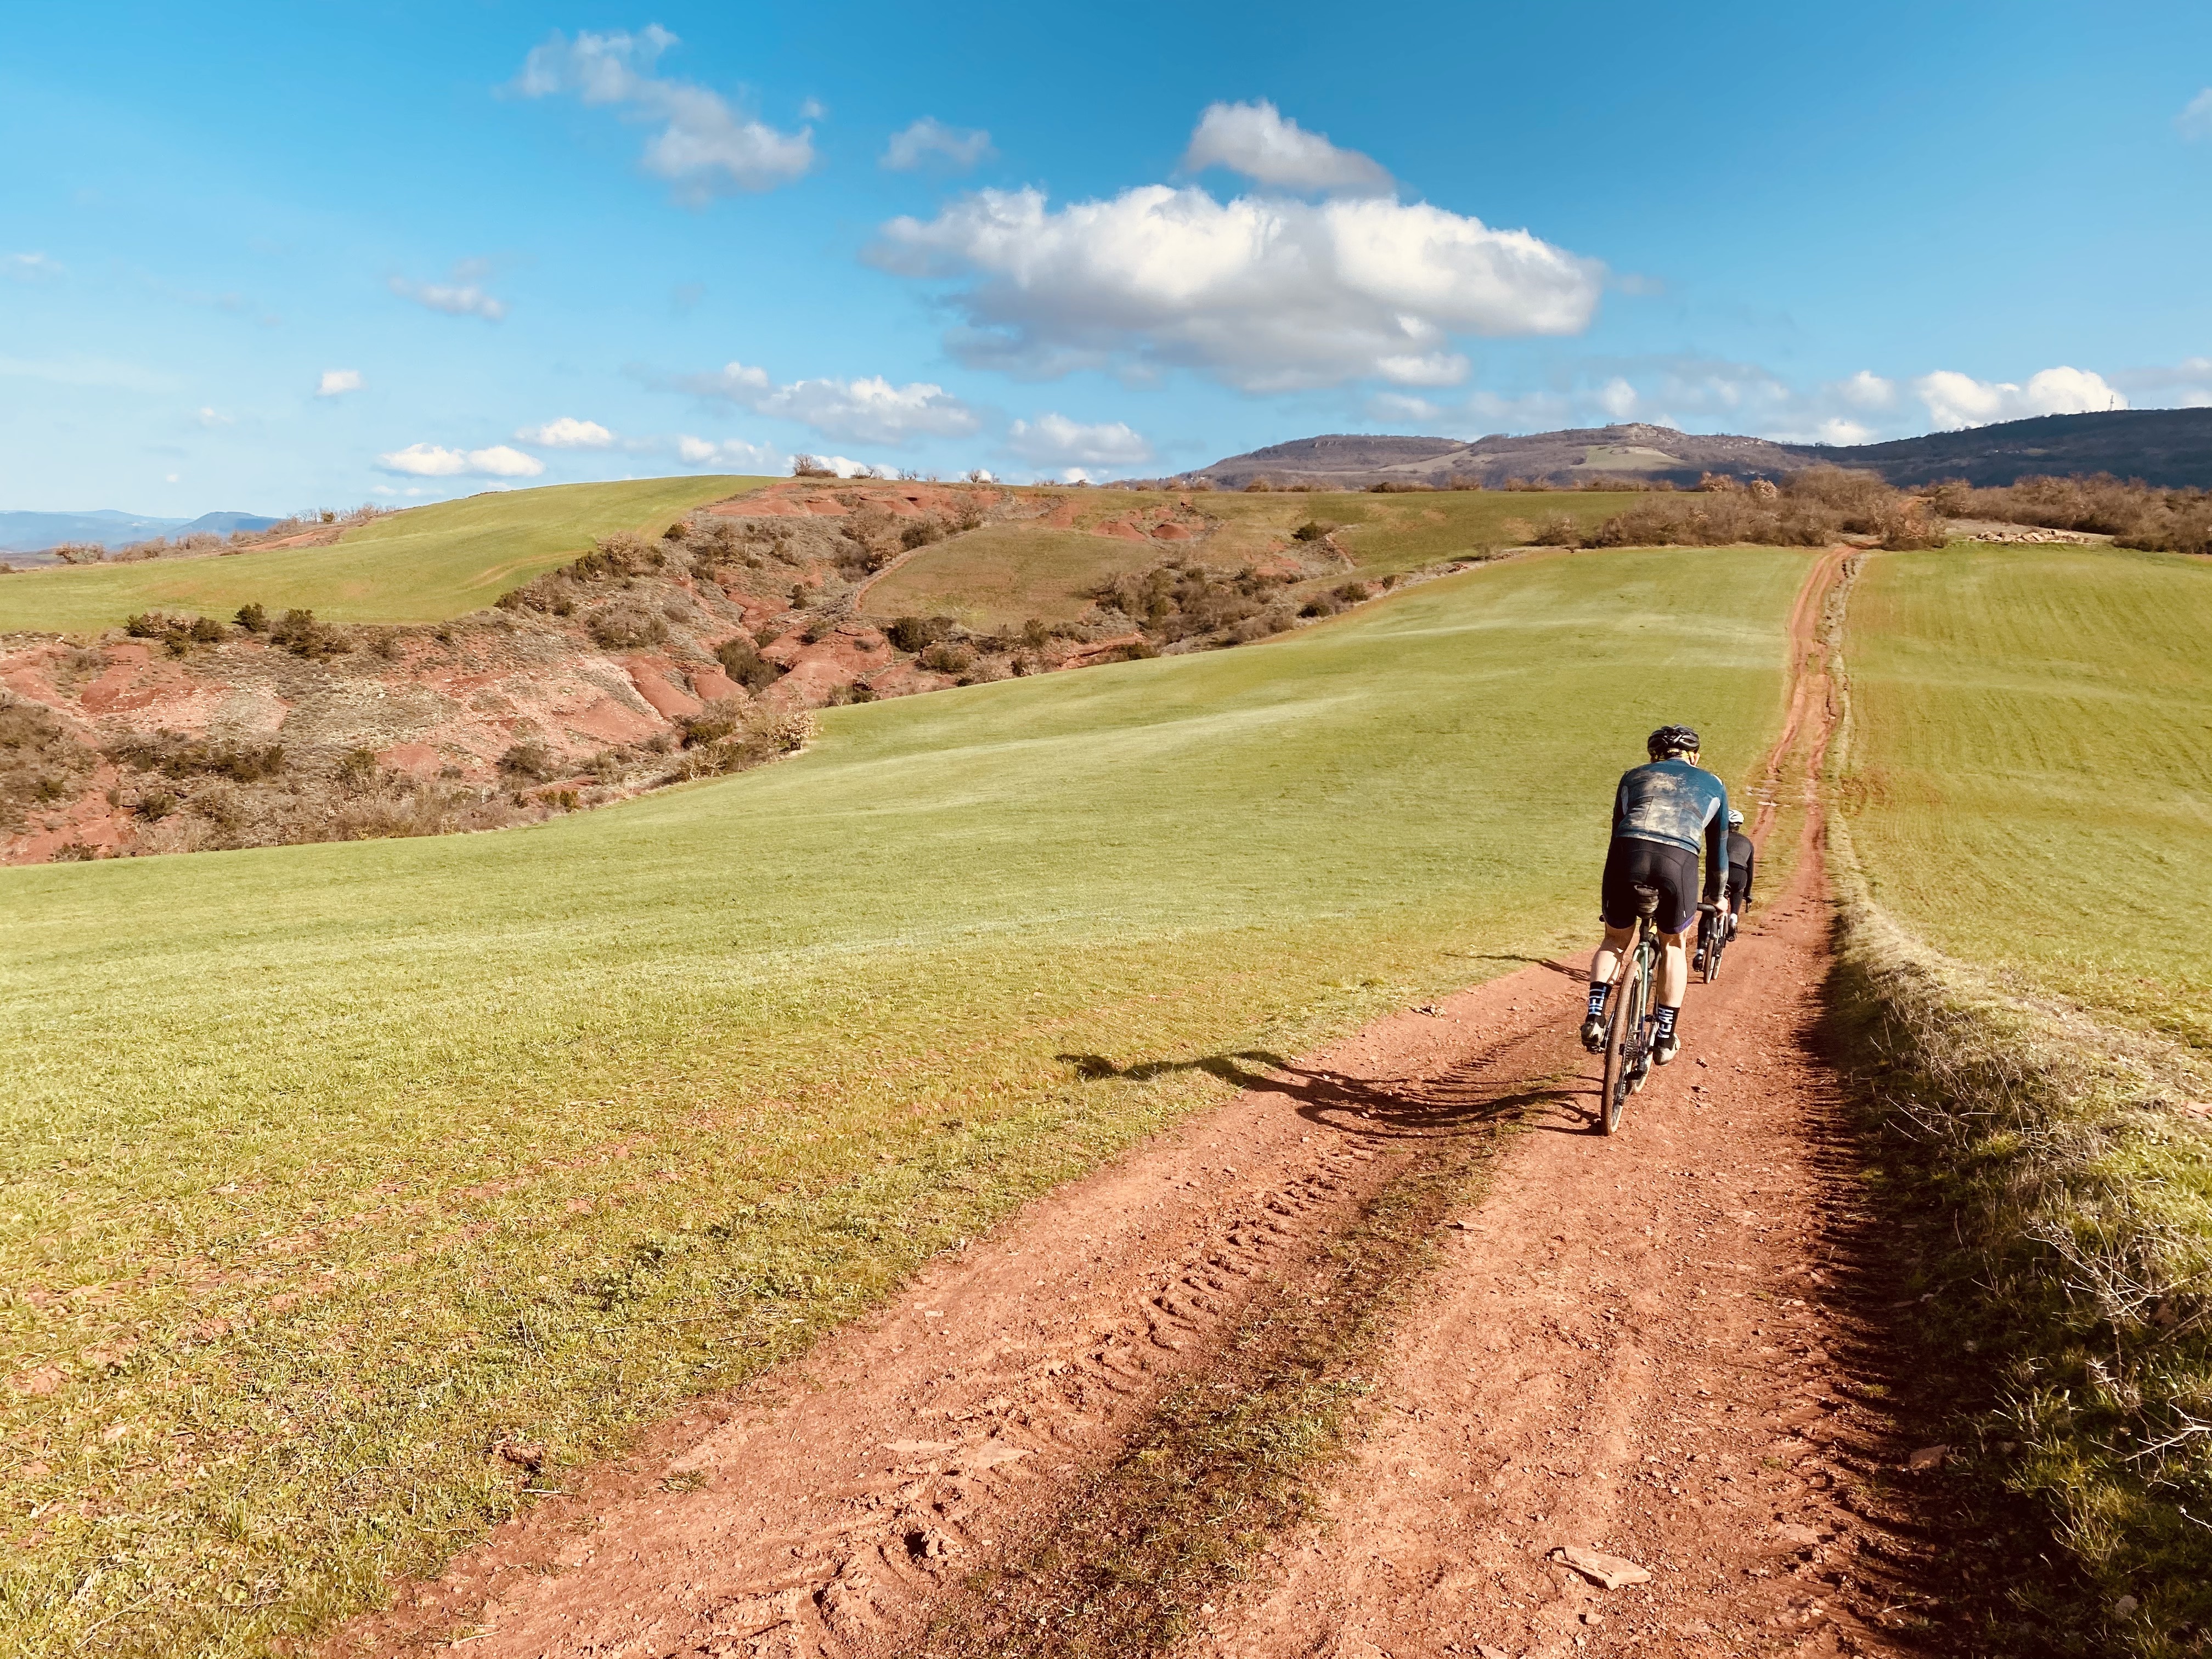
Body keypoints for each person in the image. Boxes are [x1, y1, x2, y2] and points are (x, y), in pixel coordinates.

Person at [1578, 725, 1731, 1066]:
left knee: (1615, 940)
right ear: (1695, 756)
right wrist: (1717, 896)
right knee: (1673, 945)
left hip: (1626, 857)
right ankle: (1664, 1036)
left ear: (1653, 756)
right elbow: (1718, 852)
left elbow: (1616, 833)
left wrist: (1613, 885)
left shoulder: (1632, 777)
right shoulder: (1714, 783)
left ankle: (1595, 1015)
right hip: (1678, 862)